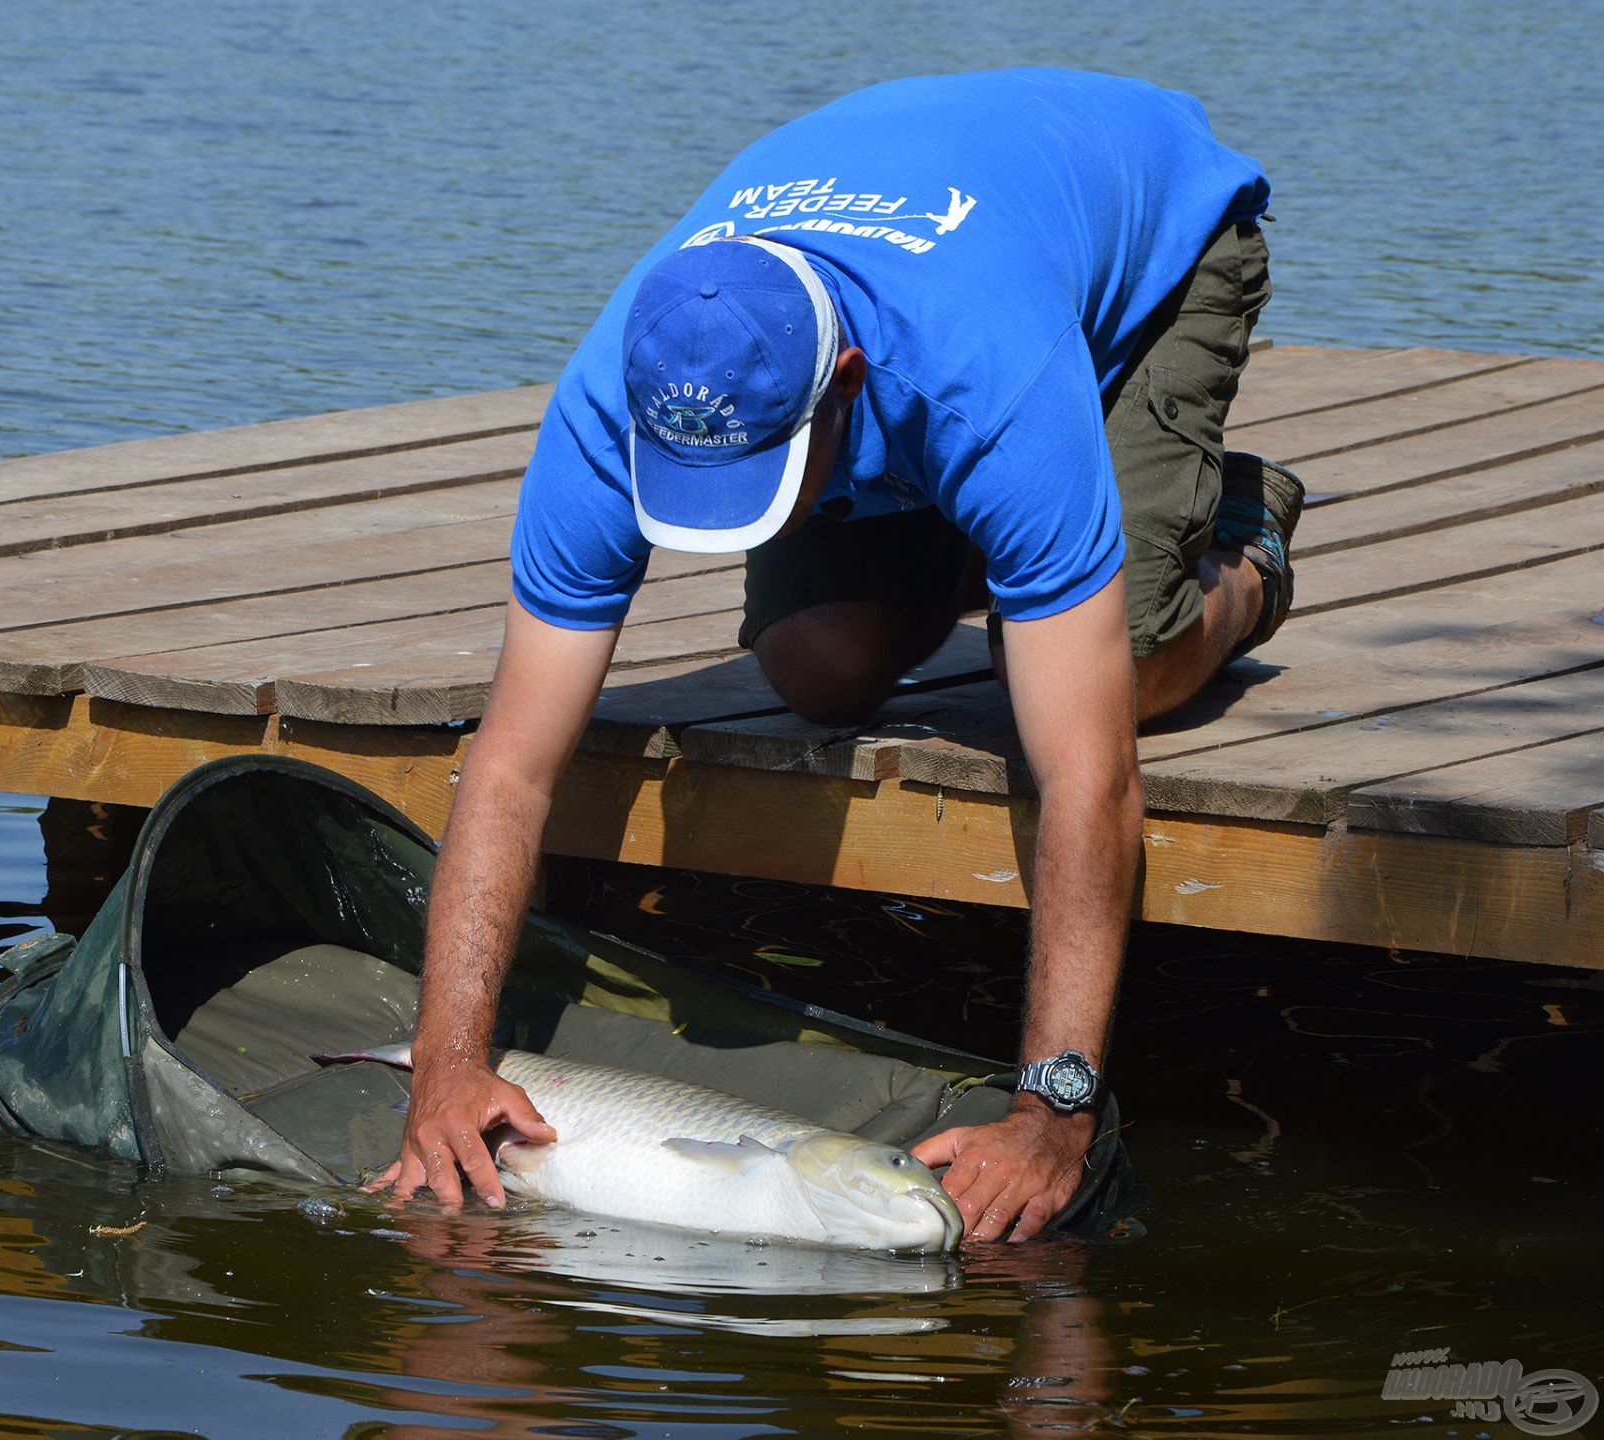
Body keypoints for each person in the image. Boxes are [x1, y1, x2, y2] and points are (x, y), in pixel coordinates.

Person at [368, 68, 1302, 1244]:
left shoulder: (988, 382)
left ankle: (1235, 534)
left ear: (844, 386)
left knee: (1119, 661)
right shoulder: (617, 394)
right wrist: (446, 1063)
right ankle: (1025, 535)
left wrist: (1054, 1111)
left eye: (749, 477)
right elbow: (509, 764)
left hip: (1153, 238)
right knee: (816, 669)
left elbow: (1088, 778)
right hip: (934, 277)